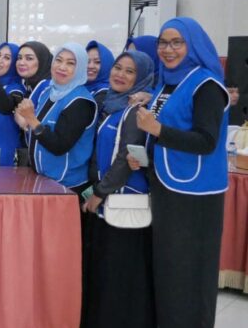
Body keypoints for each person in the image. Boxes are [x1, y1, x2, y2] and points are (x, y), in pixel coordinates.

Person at [131, 17, 228, 328]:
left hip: (195, 196)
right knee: (169, 274)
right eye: (163, 42)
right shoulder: (167, 82)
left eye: (176, 42)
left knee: (188, 276)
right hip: (167, 187)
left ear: (193, 45)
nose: (168, 49)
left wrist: (157, 130)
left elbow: (206, 141)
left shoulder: (207, 85)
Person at [81, 50, 156, 328]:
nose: (120, 74)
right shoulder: (112, 105)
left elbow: (126, 157)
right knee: (106, 273)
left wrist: (99, 193)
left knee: (120, 277)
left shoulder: (136, 111)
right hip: (108, 202)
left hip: (123, 204)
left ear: (141, 78)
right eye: (118, 67)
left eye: (129, 71)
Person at [15, 43, 97, 192]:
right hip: (44, 179)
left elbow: (59, 146)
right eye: (58, 60)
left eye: (70, 63)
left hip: (66, 185)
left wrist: (31, 119)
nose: (62, 67)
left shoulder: (80, 102)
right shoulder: (49, 91)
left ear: (80, 68)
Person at [85, 40, 115, 110]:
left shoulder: (105, 94)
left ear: (107, 64)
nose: (90, 66)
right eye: (87, 61)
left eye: (97, 62)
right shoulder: (82, 86)